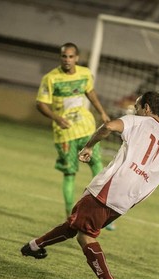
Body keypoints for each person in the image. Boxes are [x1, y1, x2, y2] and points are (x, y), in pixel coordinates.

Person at [21, 91, 159, 279]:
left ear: (147, 108)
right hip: (128, 199)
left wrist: (89, 146)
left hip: (111, 187)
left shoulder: (138, 121)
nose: (135, 111)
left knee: (85, 235)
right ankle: (34, 246)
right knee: (78, 222)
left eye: (137, 107)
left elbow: (109, 126)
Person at [36, 42, 113, 227]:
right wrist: (56, 118)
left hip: (86, 128)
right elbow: (40, 103)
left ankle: (102, 214)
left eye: (71, 56)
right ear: (60, 57)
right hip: (65, 133)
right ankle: (71, 215)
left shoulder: (85, 73)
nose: (67, 60)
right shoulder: (51, 78)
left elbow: (90, 92)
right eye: (64, 56)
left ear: (77, 58)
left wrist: (102, 112)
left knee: (98, 167)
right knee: (70, 174)